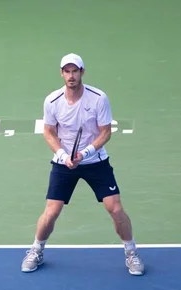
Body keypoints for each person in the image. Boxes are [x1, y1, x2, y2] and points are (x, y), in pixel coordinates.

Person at [21, 53, 145, 276]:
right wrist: (62, 154)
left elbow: (105, 132)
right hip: (63, 163)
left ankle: (131, 252)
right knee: (51, 211)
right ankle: (36, 250)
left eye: (75, 71)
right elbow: (48, 132)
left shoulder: (98, 98)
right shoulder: (52, 101)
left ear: (82, 73)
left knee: (115, 208)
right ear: (61, 73)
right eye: (67, 71)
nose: (71, 76)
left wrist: (85, 152)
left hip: (95, 161)